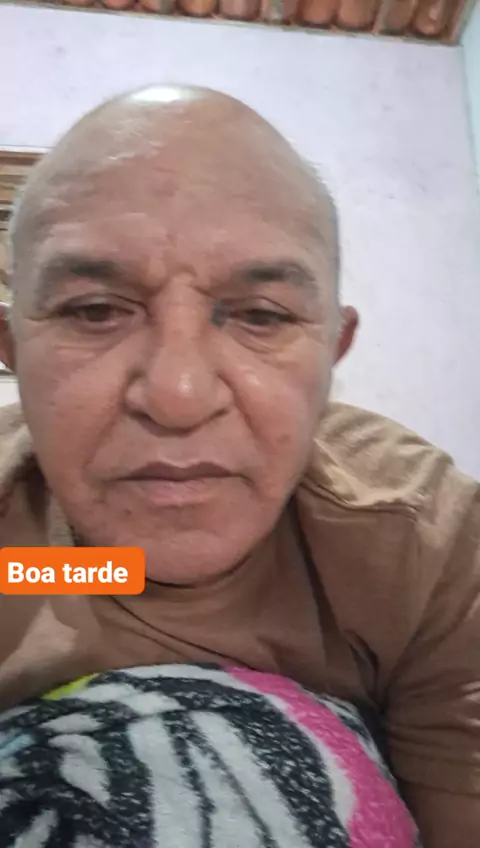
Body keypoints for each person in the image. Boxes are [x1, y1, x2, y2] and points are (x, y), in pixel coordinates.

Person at [0, 84, 478, 846]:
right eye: (95, 310)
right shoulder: (20, 555)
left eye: (261, 317)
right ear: (13, 350)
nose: (178, 395)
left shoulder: (428, 550)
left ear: (332, 352)